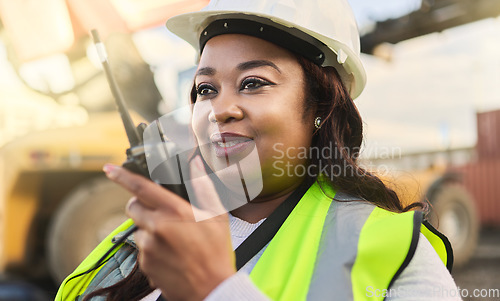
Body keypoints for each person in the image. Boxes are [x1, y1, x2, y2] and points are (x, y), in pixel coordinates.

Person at [55, 0, 462, 300]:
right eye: (205, 89)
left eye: (253, 83)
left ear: (321, 107)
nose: (220, 110)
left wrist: (217, 290)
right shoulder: (139, 239)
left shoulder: (396, 254)